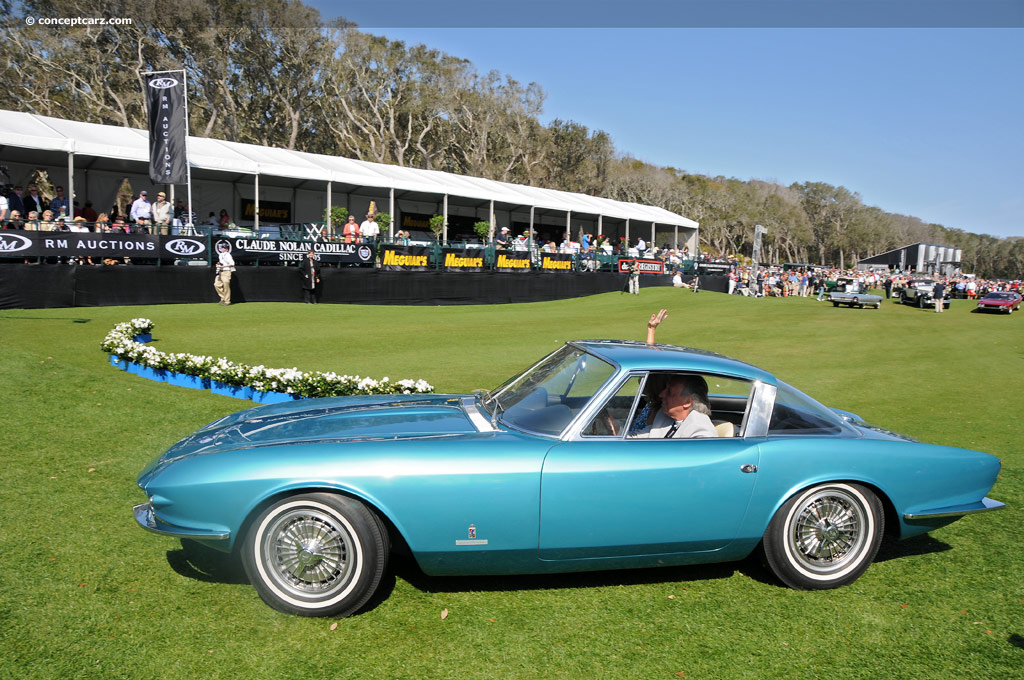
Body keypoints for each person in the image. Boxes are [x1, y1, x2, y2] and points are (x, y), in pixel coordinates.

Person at [630, 374, 717, 439]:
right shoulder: (663, 417)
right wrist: (617, 428)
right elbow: (638, 438)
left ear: (687, 402)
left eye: (669, 392)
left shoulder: (701, 431)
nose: (661, 394)